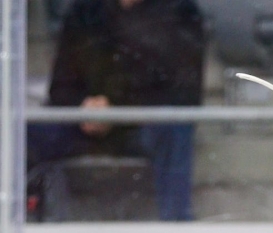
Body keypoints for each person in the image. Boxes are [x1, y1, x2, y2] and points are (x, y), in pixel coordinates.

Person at [26, 0, 206, 221]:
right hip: (85, 124)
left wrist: (116, 113)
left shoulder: (181, 11)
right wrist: (84, 107)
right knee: (23, 134)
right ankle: (23, 227)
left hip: (143, 127)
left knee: (176, 129)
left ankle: (177, 227)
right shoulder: (85, 10)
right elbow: (61, 88)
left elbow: (186, 95)